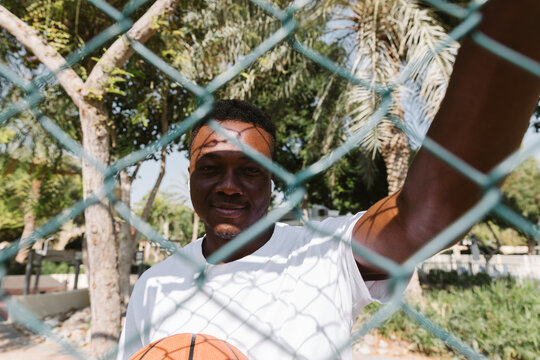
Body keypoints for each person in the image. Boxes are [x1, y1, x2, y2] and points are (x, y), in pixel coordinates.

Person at [116, 0, 539, 359]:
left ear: (273, 181)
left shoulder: (325, 252)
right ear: (190, 174)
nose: (229, 185)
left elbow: (428, 216)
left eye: (250, 171)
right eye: (210, 168)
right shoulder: (157, 284)